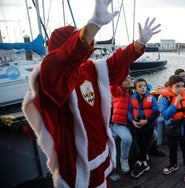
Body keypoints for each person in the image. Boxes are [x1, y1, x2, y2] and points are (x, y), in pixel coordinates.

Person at [21, 0, 161, 186]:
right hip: (76, 158)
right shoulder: (51, 76)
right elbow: (62, 60)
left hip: (99, 148)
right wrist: (93, 25)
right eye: (76, 38)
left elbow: (116, 61)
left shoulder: (88, 69)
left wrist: (140, 43)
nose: (85, 42)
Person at [158, 75, 185, 183]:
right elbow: (165, 115)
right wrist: (175, 103)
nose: (180, 89)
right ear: (170, 86)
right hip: (172, 128)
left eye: (182, 86)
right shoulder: (165, 98)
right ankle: (173, 165)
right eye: (177, 86)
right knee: (172, 149)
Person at [128, 78, 160, 178]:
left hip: (148, 124)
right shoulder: (132, 98)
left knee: (144, 143)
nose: (143, 88)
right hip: (137, 124)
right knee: (139, 143)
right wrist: (132, 121)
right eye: (140, 86)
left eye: (144, 86)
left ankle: (139, 162)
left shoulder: (151, 98)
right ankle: (144, 162)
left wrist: (146, 121)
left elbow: (156, 112)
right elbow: (129, 112)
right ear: (135, 89)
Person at [110, 75, 133, 173]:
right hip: (119, 123)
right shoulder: (118, 92)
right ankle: (124, 158)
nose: (128, 80)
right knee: (127, 139)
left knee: (154, 134)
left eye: (129, 78)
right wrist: (120, 71)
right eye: (125, 79)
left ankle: (143, 154)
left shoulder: (134, 93)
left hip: (131, 123)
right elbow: (113, 86)